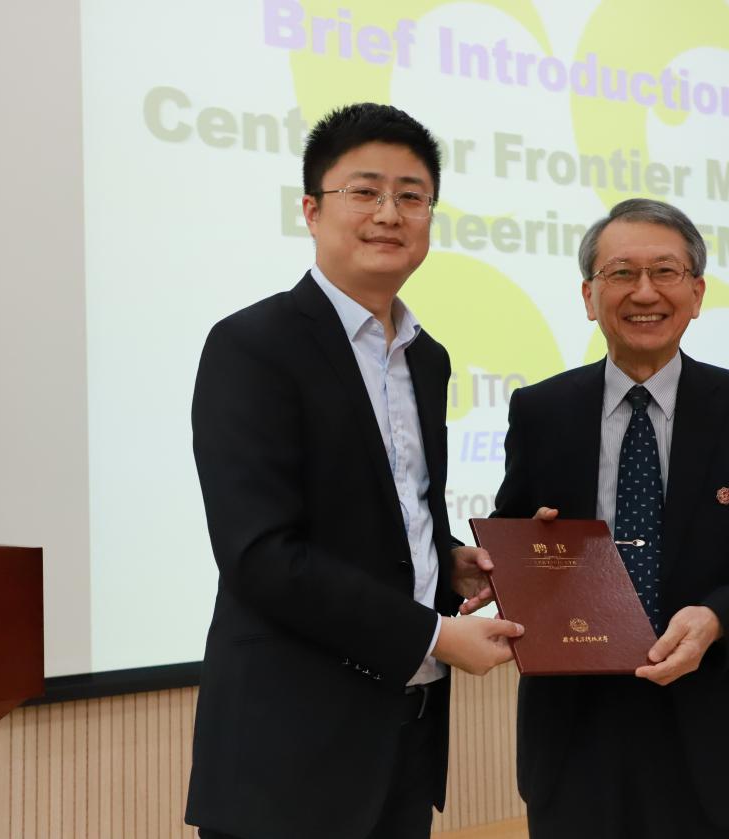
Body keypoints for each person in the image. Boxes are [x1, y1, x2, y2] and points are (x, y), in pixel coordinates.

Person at [186, 102, 523, 839]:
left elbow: (393, 513)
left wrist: (447, 563)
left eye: (411, 196)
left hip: (404, 734)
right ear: (311, 210)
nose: (389, 214)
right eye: (364, 191)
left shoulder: (426, 358)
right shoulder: (253, 346)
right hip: (288, 749)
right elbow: (259, 554)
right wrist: (432, 635)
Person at [487, 198, 729, 838]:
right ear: (589, 296)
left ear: (696, 294)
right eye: (621, 273)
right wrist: (526, 549)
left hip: (711, 712)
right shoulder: (541, 410)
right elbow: (515, 532)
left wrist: (716, 617)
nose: (645, 292)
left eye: (665, 272)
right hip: (574, 726)